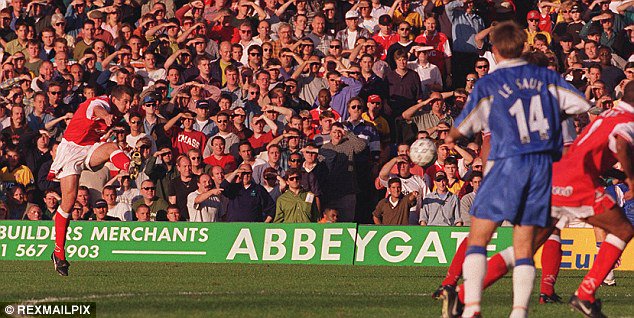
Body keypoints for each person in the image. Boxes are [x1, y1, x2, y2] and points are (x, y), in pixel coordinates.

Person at [445, 21, 590, 318]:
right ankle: (518, 312)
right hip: (541, 168)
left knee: (479, 238)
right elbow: (580, 104)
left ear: (495, 50)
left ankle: (472, 308)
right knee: (525, 247)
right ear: (523, 45)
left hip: (507, 162)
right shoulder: (546, 77)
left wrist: (450, 137)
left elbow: (463, 128)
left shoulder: (490, 83)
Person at [49, 85, 134, 276]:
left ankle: (128, 166)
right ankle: (58, 252)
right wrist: (105, 116)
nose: (128, 106)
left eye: (130, 102)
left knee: (111, 147)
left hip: (89, 148)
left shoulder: (118, 111)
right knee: (68, 202)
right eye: (125, 101)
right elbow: (97, 109)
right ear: (114, 98)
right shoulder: (101, 103)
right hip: (71, 149)